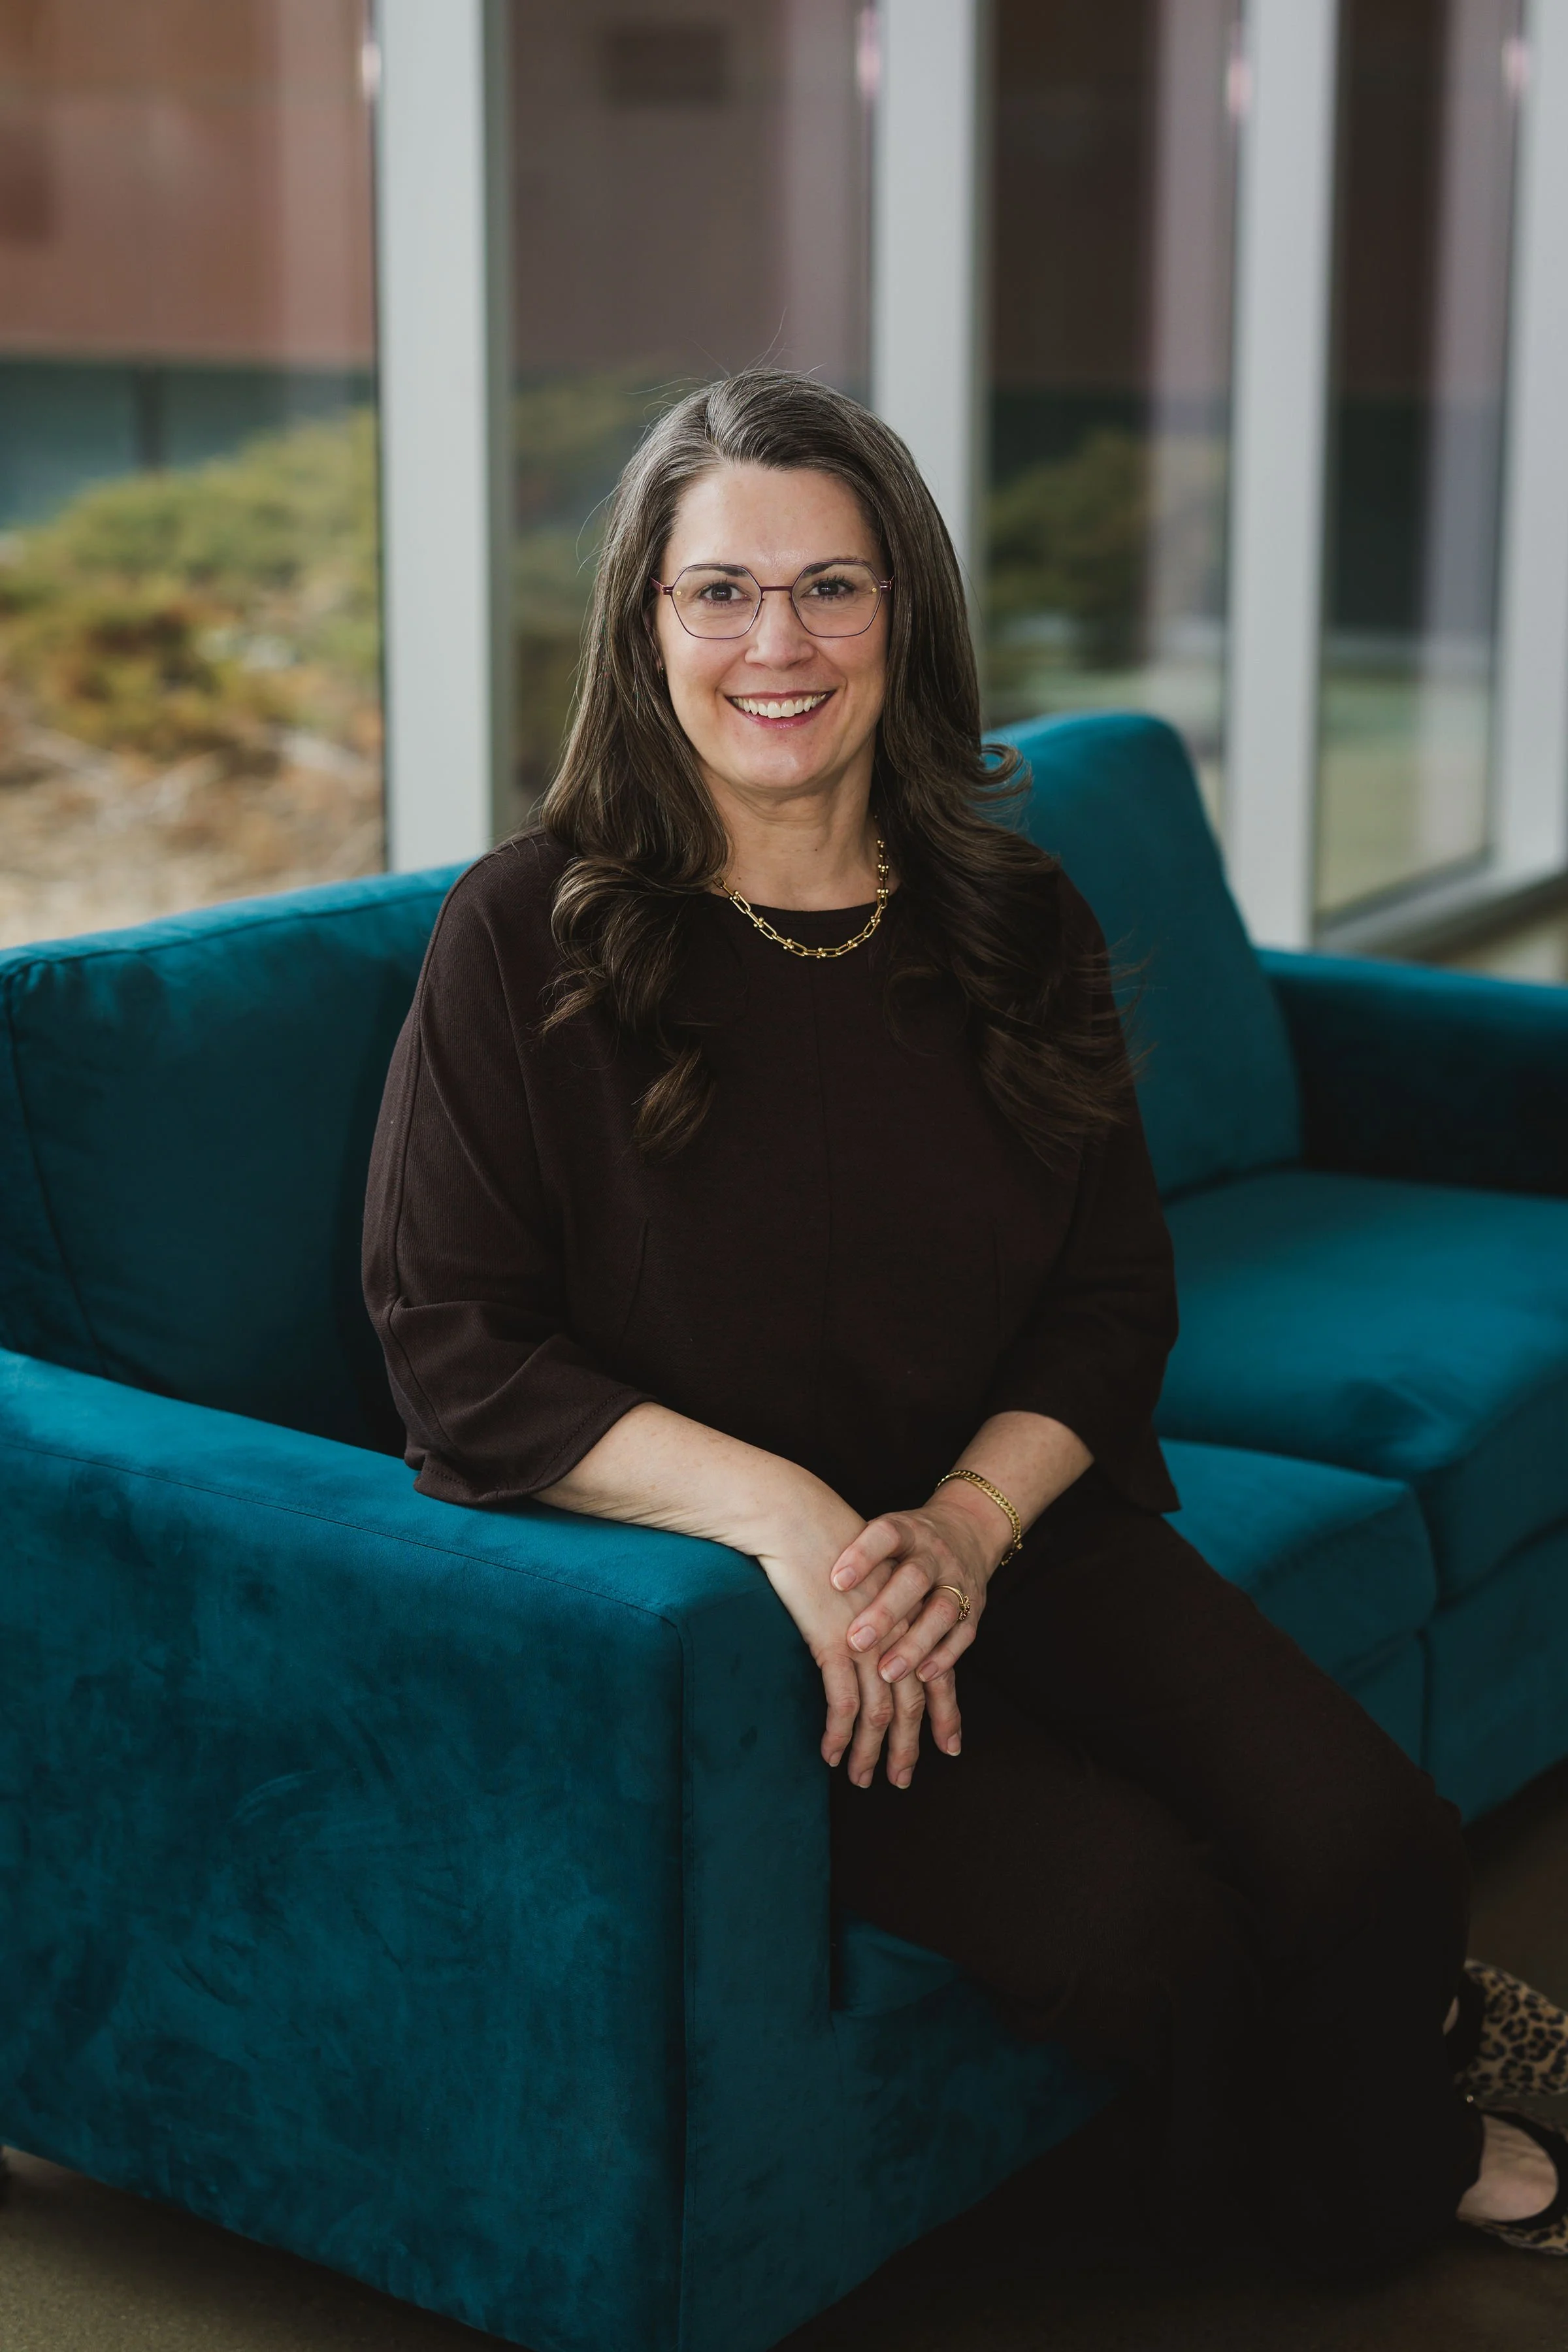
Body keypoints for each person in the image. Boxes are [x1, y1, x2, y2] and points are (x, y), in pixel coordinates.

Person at [363, 369, 1568, 2268]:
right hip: (729, 1605)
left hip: (1009, 1529)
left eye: (833, 587)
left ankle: (1373, 2127)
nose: (780, 641)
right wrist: (796, 1523)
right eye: (721, 592)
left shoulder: (1016, 917)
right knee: (1137, 1930)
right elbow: (450, 1341)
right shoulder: (529, 934)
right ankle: (1377, 2166)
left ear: (904, 614)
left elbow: (1108, 1297)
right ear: (643, 626)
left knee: (1380, 1847)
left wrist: (972, 1521)